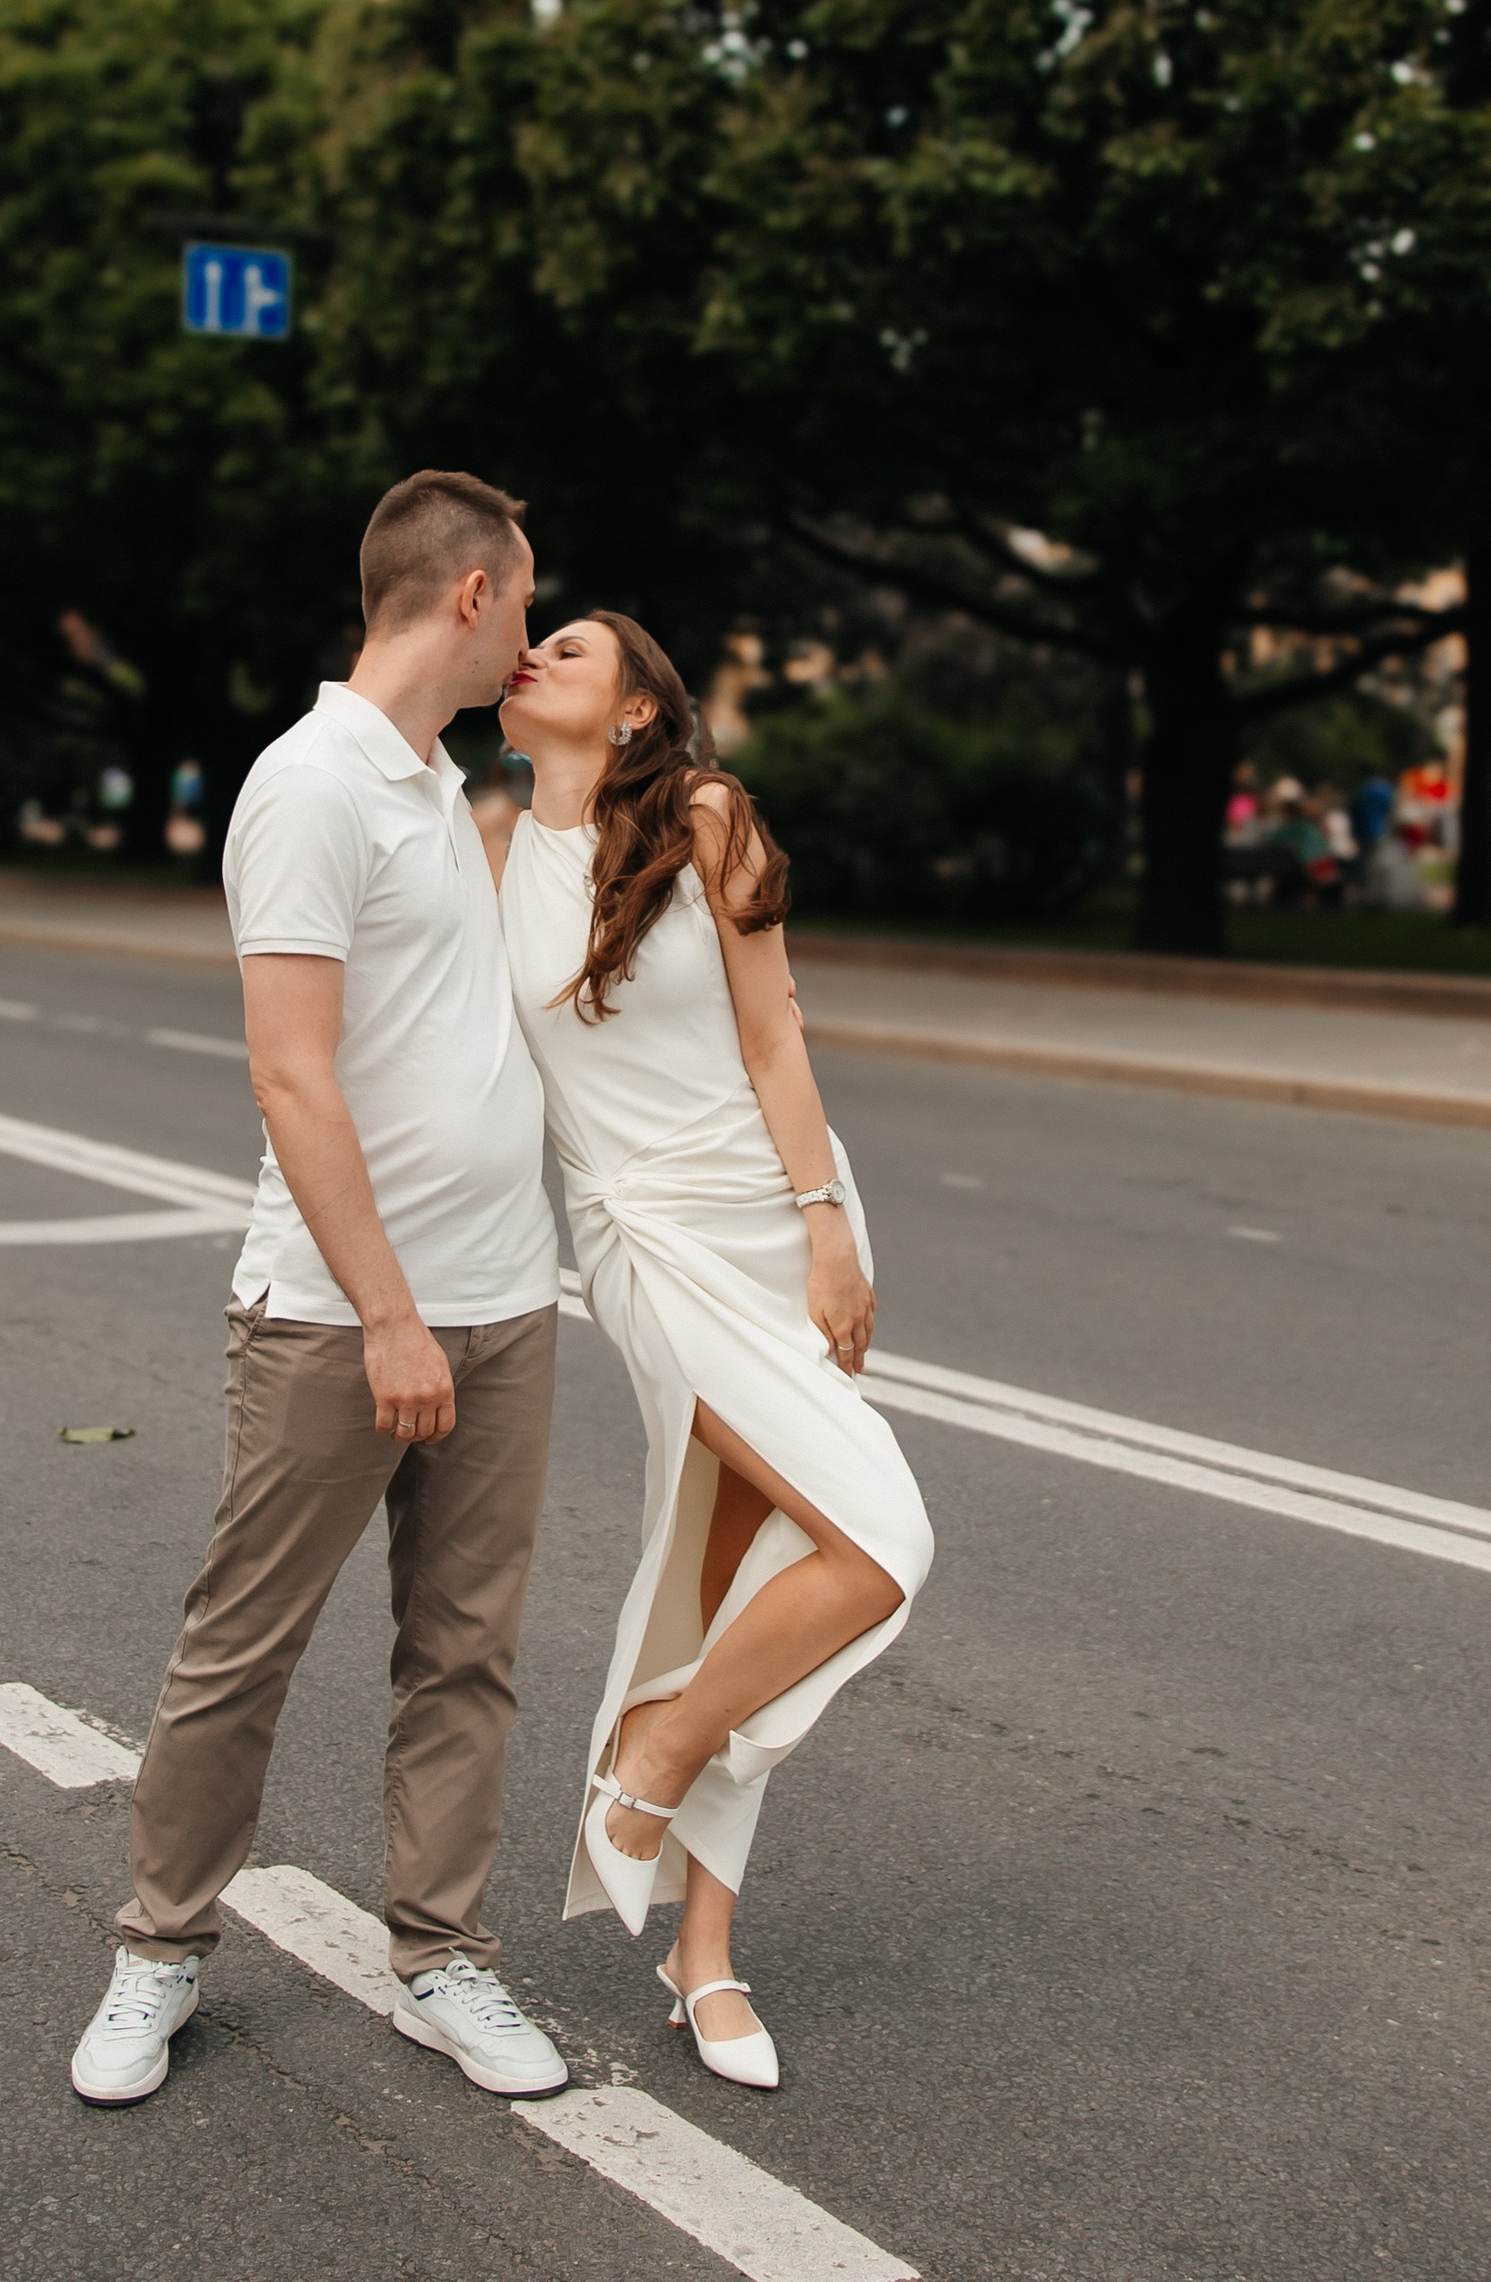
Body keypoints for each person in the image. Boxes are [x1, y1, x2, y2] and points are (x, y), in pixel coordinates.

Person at [72, 472, 570, 2109]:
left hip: (506, 1302)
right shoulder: (310, 783)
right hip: (343, 1315)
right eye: (527, 598)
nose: (535, 628)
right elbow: (292, 1079)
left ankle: (441, 1955)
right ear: (470, 594)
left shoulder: (438, 782)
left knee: (465, 1650)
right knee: (244, 1646)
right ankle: (159, 1952)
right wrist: (389, 1313)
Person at [491, 609, 933, 2092]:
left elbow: (774, 1034)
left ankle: (705, 1947)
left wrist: (826, 1225)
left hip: (774, 1219)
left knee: (751, 1572)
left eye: (568, 646)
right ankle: (654, 1751)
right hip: (646, 1248)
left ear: (631, 710)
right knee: (877, 1544)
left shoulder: (704, 813)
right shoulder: (489, 846)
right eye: (528, 640)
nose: (533, 655)